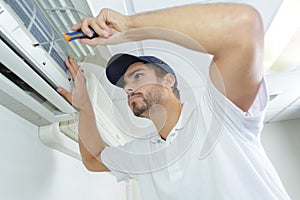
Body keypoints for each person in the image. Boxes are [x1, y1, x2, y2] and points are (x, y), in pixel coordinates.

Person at [57, 3, 290, 200]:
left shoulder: (218, 115)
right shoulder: (143, 153)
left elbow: (242, 27)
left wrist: (128, 26)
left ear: (168, 80)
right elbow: (94, 158)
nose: (128, 88)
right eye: (125, 85)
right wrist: (84, 105)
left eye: (138, 75)